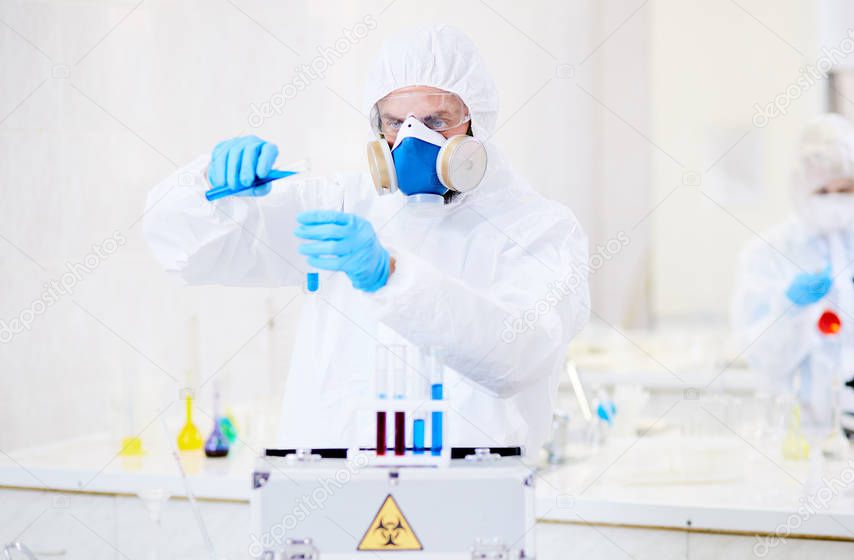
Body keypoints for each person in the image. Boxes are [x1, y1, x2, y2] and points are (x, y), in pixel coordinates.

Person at [143, 25, 590, 456]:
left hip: (471, 505)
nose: (414, 138)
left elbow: (520, 353)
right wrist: (212, 188)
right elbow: (188, 250)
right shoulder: (341, 204)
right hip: (330, 502)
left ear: (478, 123)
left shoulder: (539, 228)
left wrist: (390, 276)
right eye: (396, 122)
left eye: (436, 120)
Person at [730, 113, 854, 427]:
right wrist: (792, 313)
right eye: (823, 191)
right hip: (798, 435)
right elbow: (763, 362)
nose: (835, 199)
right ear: (801, 189)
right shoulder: (767, 253)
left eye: (846, 189)